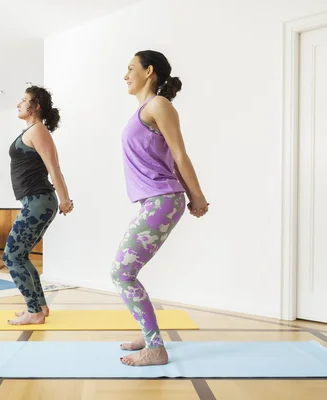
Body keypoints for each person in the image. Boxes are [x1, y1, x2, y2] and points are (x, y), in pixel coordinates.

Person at [111, 50, 209, 366]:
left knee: (122, 272)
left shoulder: (159, 105)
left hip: (164, 199)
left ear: (148, 71)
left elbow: (180, 155)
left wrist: (198, 196)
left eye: (130, 68)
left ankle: (155, 348)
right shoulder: (143, 110)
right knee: (126, 272)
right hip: (154, 201)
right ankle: (147, 332)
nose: (125, 75)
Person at [4, 85, 74, 325]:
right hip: (33, 201)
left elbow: (54, 168)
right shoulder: (32, 130)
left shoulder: (38, 130)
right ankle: (40, 307)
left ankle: (33, 311)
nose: (18, 104)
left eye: (24, 100)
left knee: (11, 256)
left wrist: (65, 199)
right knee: (20, 255)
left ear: (36, 107)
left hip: (39, 201)